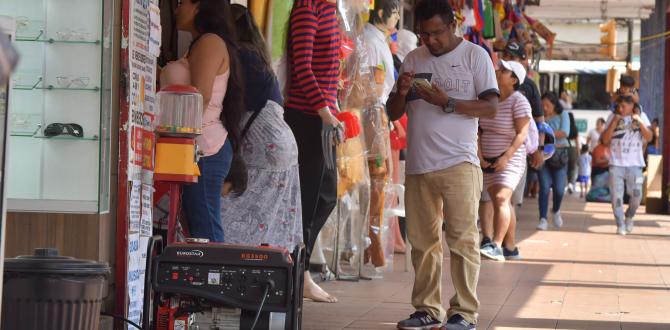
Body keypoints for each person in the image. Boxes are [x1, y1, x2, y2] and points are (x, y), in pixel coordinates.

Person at [387, 1, 499, 328]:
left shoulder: (475, 56)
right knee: (422, 243)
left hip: (460, 163)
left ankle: (464, 312)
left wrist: (447, 102)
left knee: (462, 240)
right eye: (424, 34)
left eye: (436, 33)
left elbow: (491, 107)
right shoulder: (412, 58)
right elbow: (393, 113)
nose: (430, 41)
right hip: (419, 165)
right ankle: (426, 309)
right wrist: (402, 92)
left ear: (453, 25)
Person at [219, 5, 302, 252]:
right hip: (282, 146)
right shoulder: (257, 55)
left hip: (264, 150)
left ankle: (227, 266)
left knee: (232, 213)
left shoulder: (238, 56)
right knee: (269, 221)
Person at [162, 0, 244, 242]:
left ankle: (217, 278)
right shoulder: (203, 43)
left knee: (205, 228)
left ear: (199, 6)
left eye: (182, 3)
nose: (177, 10)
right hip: (197, 147)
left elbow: (201, 95)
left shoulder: (210, 42)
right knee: (199, 228)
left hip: (204, 149)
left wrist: (177, 139)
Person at [284, 0, 341, 303]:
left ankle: (299, 269)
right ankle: (299, 275)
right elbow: (302, 66)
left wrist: (332, 110)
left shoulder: (330, 8)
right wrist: (323, 110)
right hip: (307, 118)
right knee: (307, 202)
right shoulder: (309, 6)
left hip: (324, 118)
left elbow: (328, 70)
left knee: (327, 197)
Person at [478, 60, 531, 261]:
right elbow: (479, 130)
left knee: (501, 198)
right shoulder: (489, 98)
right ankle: (510, 247)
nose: (498, 71)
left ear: (514, 79)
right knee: (500, 202)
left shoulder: (519, 101)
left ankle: (497, 245)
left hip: (511, 161)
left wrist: (506, 157)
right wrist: (480, 156)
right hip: (488, 160)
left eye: (504, 70)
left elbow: (522, 133)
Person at [361, 0, 400, 267]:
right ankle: (370, 246)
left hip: (377, 112)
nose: (397, 18)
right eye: (396, 13)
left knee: (378, 182)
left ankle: (372, 246)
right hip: (371, 114)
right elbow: (372, 87)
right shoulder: (372, 41)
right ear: (383, 13)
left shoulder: (377, 39)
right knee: (376, 181)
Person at [601, 94, 652, 235]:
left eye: (624, 106)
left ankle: (629, 216)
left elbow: (649, 137)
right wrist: (615, 120)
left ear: (631, 106)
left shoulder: (642, 116)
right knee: (616, 197)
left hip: (636, 165)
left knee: (637, 195)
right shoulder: (612, 117)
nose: (621, 109)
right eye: (619, 106)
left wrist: (639, 121)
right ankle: (620, 223)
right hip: (616, 164)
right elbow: (605, 140)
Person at [537, 92, 570, 231]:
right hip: (543, 156)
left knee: (559, 188)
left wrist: (546, 132)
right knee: (544, 188)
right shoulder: (539, 117)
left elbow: (565, 132)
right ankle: (543, 218)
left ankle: (556, 210)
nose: (544, 108)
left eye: (547, 105)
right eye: (543, 105)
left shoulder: (563, 115)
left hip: (560, 156)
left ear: (554, 105)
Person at [566, 112, 580, 194]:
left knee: (563, 167)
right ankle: (570, 184)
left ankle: (563, 184)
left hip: (564, 147)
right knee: (572, 168)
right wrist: (578, 152)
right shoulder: (575, 128)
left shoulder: (564, 127)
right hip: (573, 148)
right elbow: (577, 141)